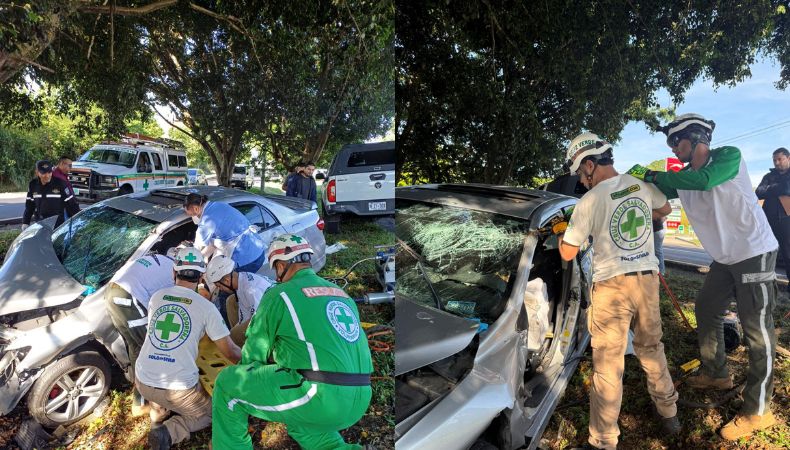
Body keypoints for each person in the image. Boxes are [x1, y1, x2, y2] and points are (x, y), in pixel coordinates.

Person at [628, 113, 779, 440]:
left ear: (696, 139)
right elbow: (655, 188)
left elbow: (705, 180)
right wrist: (628, 180)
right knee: (707, 309)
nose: (673, 149)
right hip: (725, 259)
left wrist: (657, 174)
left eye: (676, 142)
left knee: (757, 331)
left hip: (754, 252)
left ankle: (758, 411)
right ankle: (716, 372)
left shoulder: (727, 158)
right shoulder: (683, 177)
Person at [557, 132, 679, 450]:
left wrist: (563, 230)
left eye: (579, 174)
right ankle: (669, 413)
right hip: (647, 281)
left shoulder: (589, 201)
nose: (580, 182)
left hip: (612, 285)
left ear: (589, 164)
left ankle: (603, 441)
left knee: (609, 363)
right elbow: (664, 210)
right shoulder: (640, 184)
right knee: (652, 348)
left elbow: (568, 253)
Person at [211, 234, 372, 450]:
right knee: (302, 421)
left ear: (281, 265)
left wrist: (250, 384)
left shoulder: (279, 294)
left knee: (228, 384)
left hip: (319, 395)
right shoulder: (341, 293)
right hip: (360, 396)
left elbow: (253, 355)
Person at [136, 247, 241, 450]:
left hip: (143, 380)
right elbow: (230, 352)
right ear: (202, 277)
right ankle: (169, 432)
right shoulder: (206, 307)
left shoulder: (157, 297)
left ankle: (157, 415)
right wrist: (251, 365)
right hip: (179, 389)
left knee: (160, 389)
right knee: (212, 412)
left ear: (174, 272)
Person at [104, 250, 177, 415]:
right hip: (128, 297)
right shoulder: (173, 272)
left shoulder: (159, 259)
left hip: (111, 292)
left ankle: (139, 403)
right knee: (153, 350)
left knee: (136, 347)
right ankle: (159, 404)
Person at [182, 193, 267, 273]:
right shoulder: (218, 205)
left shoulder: (206, 222)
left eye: (190, 214)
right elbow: (217, 237)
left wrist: (183, 256)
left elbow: (196, 250)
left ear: (196, 209)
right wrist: (205, 256)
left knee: (235, 285)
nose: (191, 217)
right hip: (257, 250)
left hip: (246, 260)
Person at [204, 255, 275, 345]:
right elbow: (244, 314)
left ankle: (244, 347)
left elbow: (260, 320)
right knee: (231, 301)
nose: (220, 289)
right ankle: (241, 343)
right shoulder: (241, 280)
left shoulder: (251, 290)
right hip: (264, 312)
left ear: (226, 280)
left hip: (271, 317)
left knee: (233, 336)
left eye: (219, 286)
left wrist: (235, 335)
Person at [755, 147, 790, 273]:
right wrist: (778, 189)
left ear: (788, 158)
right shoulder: (768, 176)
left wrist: (769, 189)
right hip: (767, 219)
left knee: (788, 253)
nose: (776, 162)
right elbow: (759, 192)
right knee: (763, 251)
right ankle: (762, 282)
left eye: (780, 159)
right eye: (774, 160)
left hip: (787, 219)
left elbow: (787, 189)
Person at [22, 160, 79, 229]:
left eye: (49, 172)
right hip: (40, 225)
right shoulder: (33, 185)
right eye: (44, 173)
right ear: (37, 172)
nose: (47, 175)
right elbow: (29, 205)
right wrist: (25, 222)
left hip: (58, 226)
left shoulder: (61, 184)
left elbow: (72, 204)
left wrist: (78, 222)